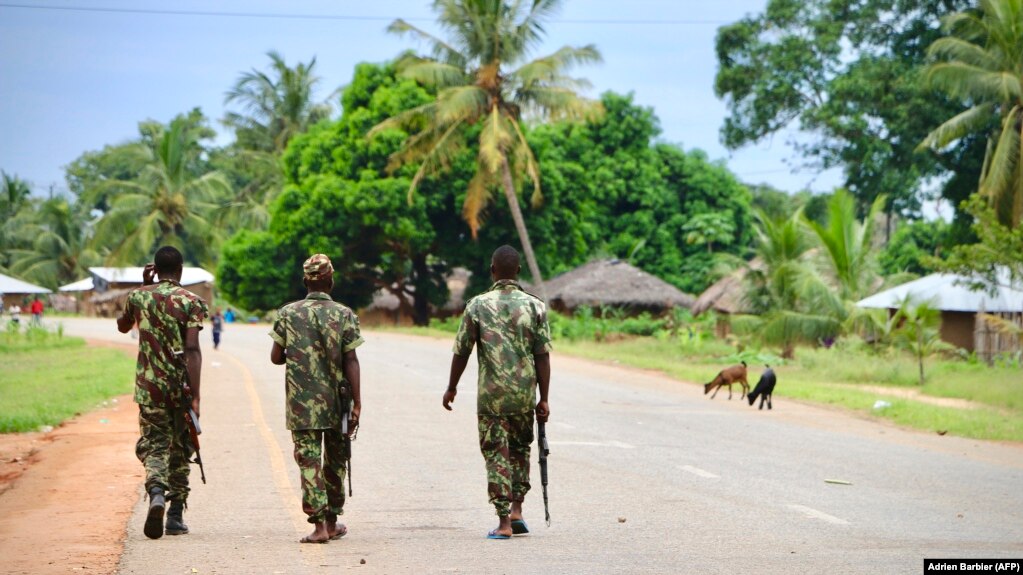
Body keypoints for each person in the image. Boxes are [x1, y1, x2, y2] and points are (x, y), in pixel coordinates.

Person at [444, 245, 552, 540]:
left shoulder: (477, 306)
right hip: (522, 396)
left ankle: (503, 523)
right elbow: (542, 355)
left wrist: (452, 387)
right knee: (520, 451)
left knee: (496, 454)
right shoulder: (535, 306)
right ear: (518, 271)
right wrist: (544, 398)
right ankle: (517, 511)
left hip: (491, 398)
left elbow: (461, 352)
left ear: (492, 270)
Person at [270, 254, 363, 544]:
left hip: (302, 404)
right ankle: (333, 521)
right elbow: (352, 360)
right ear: (330, 280)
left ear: (305, 281)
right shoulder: (344, 314)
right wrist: (358, 402)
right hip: (338, 401)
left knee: (308, 460)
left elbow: (275, 357)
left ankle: (319, 526)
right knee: (335, 462)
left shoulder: (288, 313)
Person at [116, 246, 208, 540]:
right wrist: (195, 395)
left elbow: (122, 326)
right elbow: (192, 349)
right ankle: (175, 516)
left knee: (155, 445)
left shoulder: (138, 297)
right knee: (182, 447)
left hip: (149, 388)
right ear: (180, 270)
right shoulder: (191, 301)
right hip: (180, 388)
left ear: (154, 268)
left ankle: (156, 491)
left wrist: (141, 286)